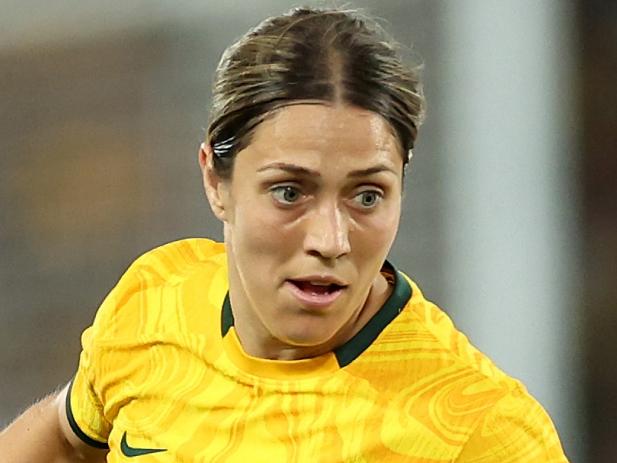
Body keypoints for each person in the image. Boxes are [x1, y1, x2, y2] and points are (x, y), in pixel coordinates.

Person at [0, 6, 568, 462]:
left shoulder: (481, 431)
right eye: (290, 192)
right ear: (215, 180)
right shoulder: (155, 301)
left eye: (367, 195)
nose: (331, 239)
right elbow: (64, 438)